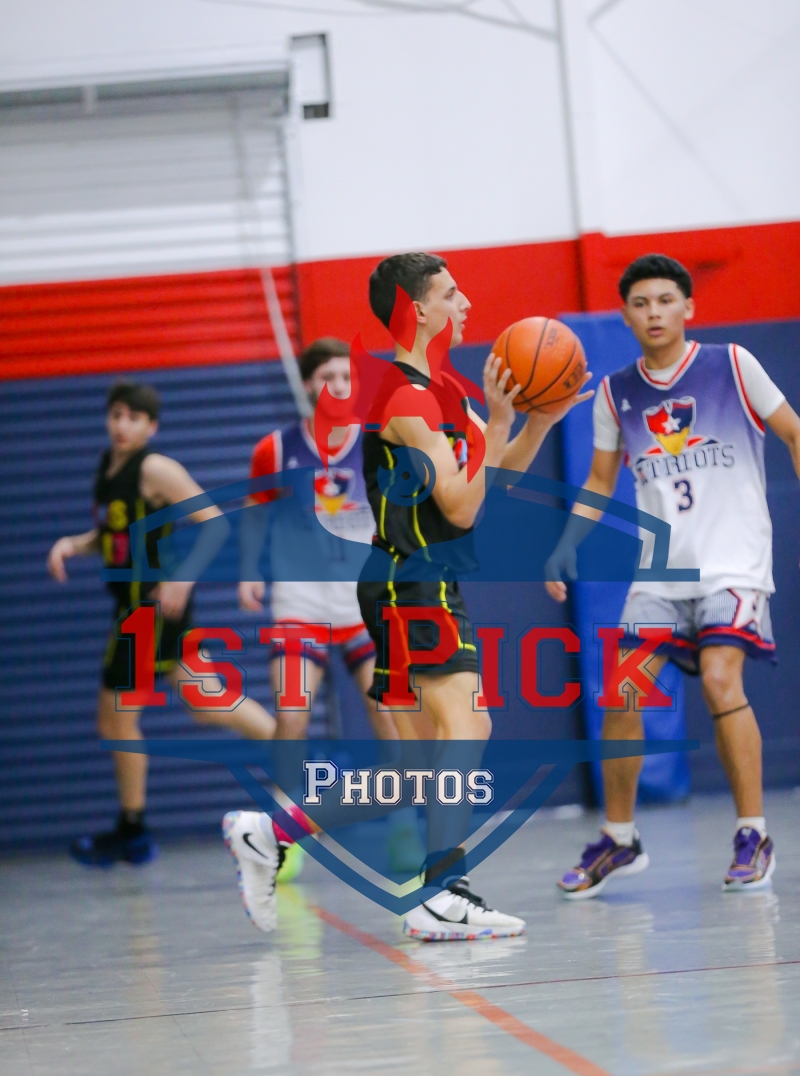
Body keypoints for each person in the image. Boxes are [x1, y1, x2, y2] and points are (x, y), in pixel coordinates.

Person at [224, 253, 592, 940]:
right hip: (412, 581)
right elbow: (460, 507)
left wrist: (541, 420)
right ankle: (445, 891)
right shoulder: (406, 398)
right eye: (452, 294)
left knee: (417, 770)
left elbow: (494, 481)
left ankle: (269, 834)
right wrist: (501, 422)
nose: (466, 303)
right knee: (471, 726)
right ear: (418, 310)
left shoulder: (442, 390)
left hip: (412, 581)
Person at [546, 253, 800, 897]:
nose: (654, 312)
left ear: (689, 306)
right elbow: (599, 479)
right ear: (626, 314)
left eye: (665, 300)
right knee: (623, 693)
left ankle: (752, 833)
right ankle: (620, 838)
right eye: (641, 303)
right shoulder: (615, 393)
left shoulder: (733, 364)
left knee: (719, 678)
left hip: (733, 564)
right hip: (659, 575)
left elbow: (794, 433)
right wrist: (565, 545)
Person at [47, 380, 276, 866]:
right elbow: (114, 536)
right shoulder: (109, 469)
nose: (122, 424)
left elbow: (215, 522)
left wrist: (182, 580)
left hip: (148, 611)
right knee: (205, 702)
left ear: (151, 426)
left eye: (133, 417)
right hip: (138, 610)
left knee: (116, 720)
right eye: (116, 414)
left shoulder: (155, 468)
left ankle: (133, 832)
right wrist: (74, 544)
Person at [233, 338, 413, 884]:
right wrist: (248, 570)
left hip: (361, 603)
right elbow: (254, 512)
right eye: (327, 376)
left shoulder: (376, 444)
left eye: (346, 376)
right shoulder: (275, 449)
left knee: (388, 714)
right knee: (292, 714)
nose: (338, 385)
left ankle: (403, 824)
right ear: (308, 384)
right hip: (300, 602)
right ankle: (284, 832)